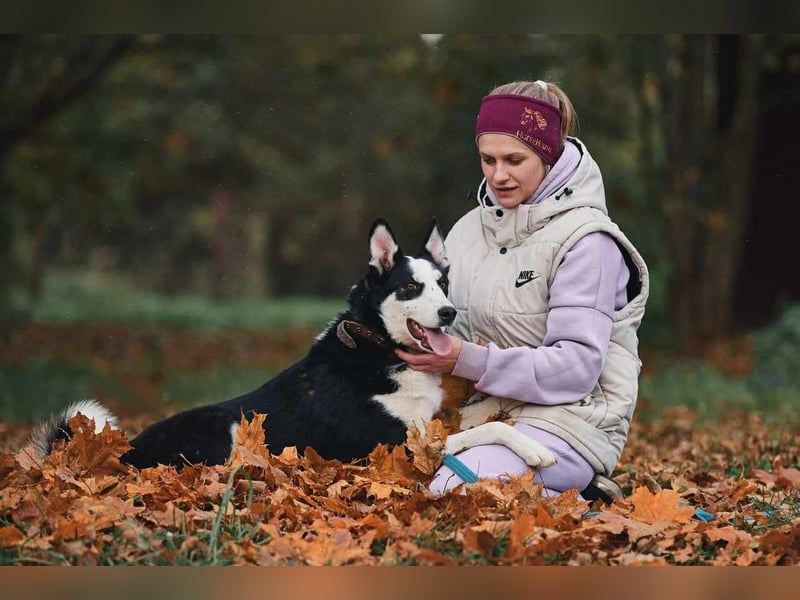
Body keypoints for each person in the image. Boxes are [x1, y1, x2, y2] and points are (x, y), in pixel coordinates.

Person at [396, 80, 649, 501]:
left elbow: (575, 369)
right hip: (478, 413)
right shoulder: (467, 230)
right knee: (394, 473)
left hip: (568, 421)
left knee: (460, 493)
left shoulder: (588, 242)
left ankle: (587, 501)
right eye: (487, 159)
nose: (498, 175)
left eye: (515, 159)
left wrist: (465, 360)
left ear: (548, 154)